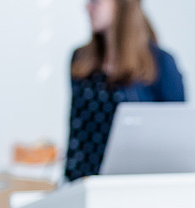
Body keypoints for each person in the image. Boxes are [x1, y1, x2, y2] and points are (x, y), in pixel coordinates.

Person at [64, 0, 185, 182]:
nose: (87, 7)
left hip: (136, 188)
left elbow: (179, 139)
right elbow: (75, 133)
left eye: (96, 2)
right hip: (85, 186)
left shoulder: (160, 63)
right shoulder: (80, 60)